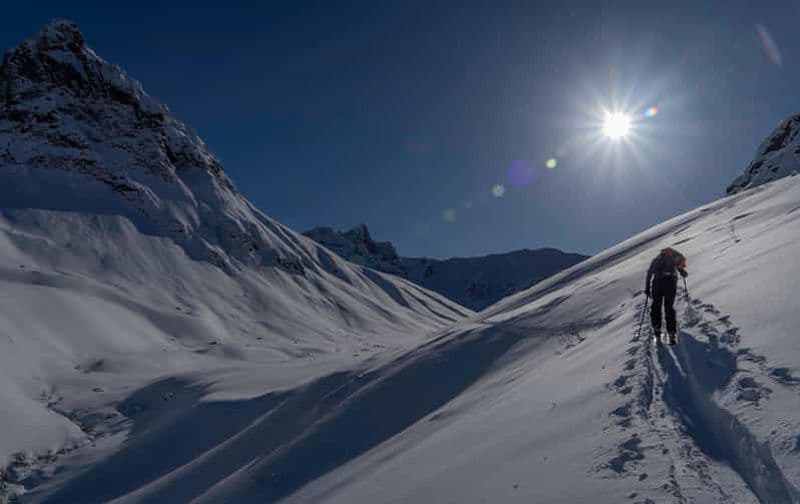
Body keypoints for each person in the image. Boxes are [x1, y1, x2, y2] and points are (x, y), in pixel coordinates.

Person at [644, 247, 687, 345]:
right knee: (669, 308)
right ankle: (672, 335)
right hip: (671, 283)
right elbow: (682, 270)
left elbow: (649, 273)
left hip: (657, 283)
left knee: (656, 307)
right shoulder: (672, 259)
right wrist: (683, 273)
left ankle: (657, 334)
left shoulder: (656, 260)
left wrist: (647, 288)